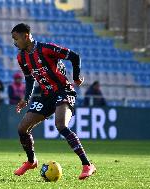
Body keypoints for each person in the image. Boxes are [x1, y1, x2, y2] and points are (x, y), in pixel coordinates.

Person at [11, 23, 96, 180]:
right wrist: (26, 98)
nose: (15, 42)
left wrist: (76, 78)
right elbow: (29, 78)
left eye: (16, 38)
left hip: (63, 90)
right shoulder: (21, 57)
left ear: (26, 36)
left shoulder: (46, 49)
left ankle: (87, 165)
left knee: (61, 125)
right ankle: (31, 161)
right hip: (46, 95)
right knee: (22, 128)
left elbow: (74, 56)